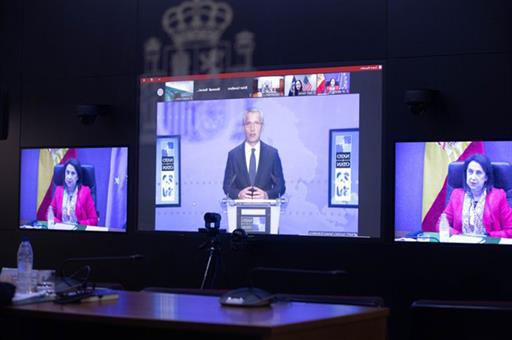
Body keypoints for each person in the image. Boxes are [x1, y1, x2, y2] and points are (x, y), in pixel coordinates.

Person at [438, 153, 512, 238]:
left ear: (486, 177)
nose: (473, 177)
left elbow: (510, 230)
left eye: (478, 173)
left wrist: (488, 236)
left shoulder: (498, 196)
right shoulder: (456, 195)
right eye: (470, 171)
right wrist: (459, 236)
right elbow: (441, 224)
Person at [223, 109, 285, 199]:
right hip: (240, 208)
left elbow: (281, 187)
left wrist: (266, 195)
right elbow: (226, 186)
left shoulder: (272, 154)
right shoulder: (233, 155)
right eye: (248, 123)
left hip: (266, 209)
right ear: (243, 127)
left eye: (256, 123)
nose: (252, 128)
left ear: (262, 126)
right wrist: (238, 194)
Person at [49, 158, 98, 226]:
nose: (69, 177)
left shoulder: (85, 192)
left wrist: (77, 223)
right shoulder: (58, 190)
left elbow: (94, 220)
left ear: (77, 177)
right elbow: (50, 213)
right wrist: (61, 224)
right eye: (67, 172)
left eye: (73, 173)